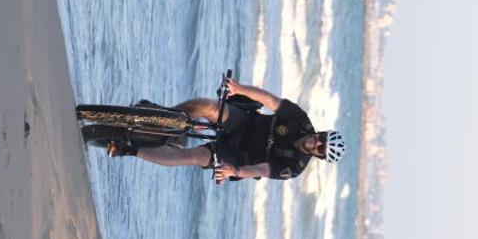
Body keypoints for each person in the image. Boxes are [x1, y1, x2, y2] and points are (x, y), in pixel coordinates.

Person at [106, 77, 346, 184]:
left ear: (319, 156)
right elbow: (269, 99)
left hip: (237, 155)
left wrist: (235, 171)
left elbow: (261, 170)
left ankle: (129, 149)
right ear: (321, 133)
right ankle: (163, 118)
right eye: (321, 139)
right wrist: (239, 88)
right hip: (243, 123)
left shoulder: (294, 167)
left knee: (192, 157)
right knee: (206, 106)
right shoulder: (300, 120)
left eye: (320, 149)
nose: (316, 144)